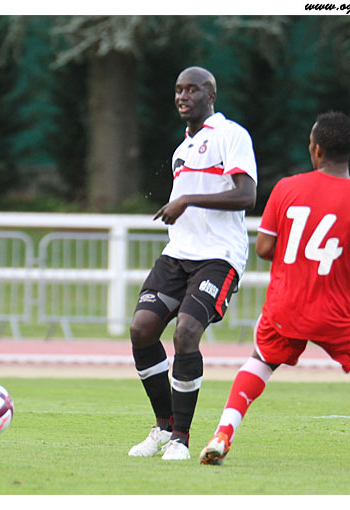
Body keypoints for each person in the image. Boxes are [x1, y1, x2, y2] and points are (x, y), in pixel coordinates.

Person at [199, 111, 350, 472]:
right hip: (338, 311)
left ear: (316, 150)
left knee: (261, 361)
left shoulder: (287, 188)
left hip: (286, 306)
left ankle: (223, 433)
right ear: (349, 151)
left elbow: (263, 249)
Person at [128, 66, 257, 461]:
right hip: (178, 254)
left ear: (210, 95)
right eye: (178, 90)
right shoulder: (181, 150)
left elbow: (247, 195)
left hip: (219, 257)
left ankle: (181, 440)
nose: (183, 97)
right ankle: (163, 427)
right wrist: (181, 206)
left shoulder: (231, 135)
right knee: (141, 329)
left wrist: (186, 201)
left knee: (186, 332)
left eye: (192, 90)